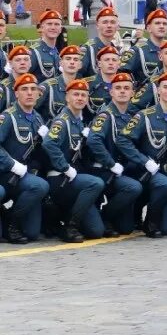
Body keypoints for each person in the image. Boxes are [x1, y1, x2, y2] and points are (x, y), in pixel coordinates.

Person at [116, 72, 167, 237]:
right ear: (158, 91)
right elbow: (123, 140)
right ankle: (149, 219)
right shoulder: (144, 116)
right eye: (165, 87)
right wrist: (144, 161)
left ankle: (153, 219)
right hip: (145, 170)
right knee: (125, 227)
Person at [42, 77, 107, 242]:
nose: (80, 98)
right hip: (60, 177)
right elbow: (49, 144)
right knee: (96, 183)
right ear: (67, 97)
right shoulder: (62, 121)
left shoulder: (79, 121)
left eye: (83, 95)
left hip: (74, 180)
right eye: (76, 94)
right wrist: (64, 167)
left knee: (96, 231)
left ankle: (63, 214)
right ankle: (70, 226)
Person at [85, 71, 145, 237]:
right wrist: (110, 163)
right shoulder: (105, 115)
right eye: (118, 88)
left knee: (126, 228)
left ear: (133, 93)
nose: (123, 91)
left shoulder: (131, 116)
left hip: (122, 171)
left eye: (127, 88)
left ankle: (111, 213)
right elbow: (93, 141)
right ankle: (105, 217)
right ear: (111, 92)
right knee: (133, 187)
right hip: (103, 170)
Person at [0, 73, 50, 243]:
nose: (29, 93)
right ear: (16, 94)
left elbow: (35, 153)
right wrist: (12, 164)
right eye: (24, 89)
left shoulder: (37, 118)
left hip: (22, 176)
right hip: (5, 174)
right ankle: (12, 225)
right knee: (40, 186)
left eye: (33, 89)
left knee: (32, 233)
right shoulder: (8, 117)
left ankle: (8, 216)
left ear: (38, 94)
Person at [122, 9, 167, 85]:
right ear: (149, 28)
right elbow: (122, 72)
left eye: (164, 24)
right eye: (157, 23)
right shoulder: (138, 51)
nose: (162, 26)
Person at [80, 6, 124, 79]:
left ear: (117, 26)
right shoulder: (88, 49)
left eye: (112, 22)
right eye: (105, 22)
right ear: (97, 25)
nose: (109, 26)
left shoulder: (116, 50)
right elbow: (76, 75)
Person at [31, 9, 64, 82]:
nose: (53, 27)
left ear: (61, 29)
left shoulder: (57, 52)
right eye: (49, 24)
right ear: (42, 28)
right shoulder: (34, 52)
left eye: (57, 24)